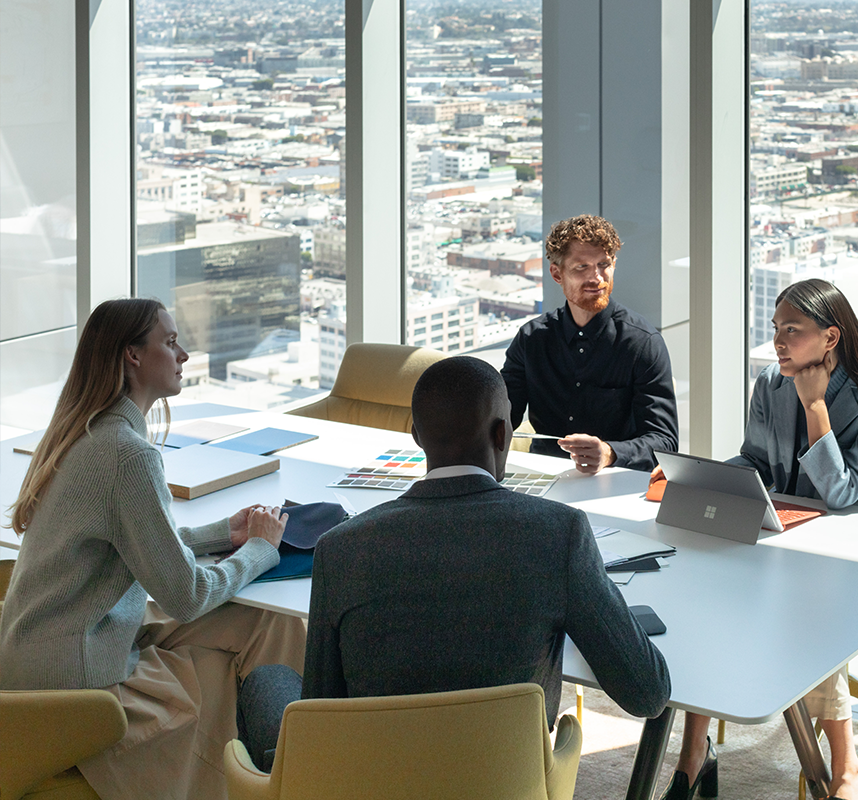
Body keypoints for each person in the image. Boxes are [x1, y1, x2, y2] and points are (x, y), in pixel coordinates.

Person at [251, 357, 671, 744]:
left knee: (266, 682)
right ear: (502, 433)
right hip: (509, 782)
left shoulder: (340, 549)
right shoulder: (559, 533)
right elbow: (647, 694)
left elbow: (322, 710)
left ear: (416, 436)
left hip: (377, 779)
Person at [0, 298, 303, 800]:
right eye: (170, 341)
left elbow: (130, 544)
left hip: (42, 647)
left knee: (270, 621)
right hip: (76, 679)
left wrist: (220, 534)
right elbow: (184, 595)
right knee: (253, 636)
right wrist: (259, 551)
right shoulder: (127, 454)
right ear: (133, 356)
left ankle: (272, 771)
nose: (183, 353)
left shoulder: (89, 431)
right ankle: (272, 775)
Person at [661, 277, 858, 800]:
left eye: (793, 331)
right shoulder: (771, 383)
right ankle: (694, 755)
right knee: (708, 594)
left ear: (830, 338)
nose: (779, 342)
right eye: (776, 329)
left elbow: (843, 493)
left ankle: (847, 769)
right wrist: (702, 476)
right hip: (793, 537)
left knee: (804, 615)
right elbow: (756, 462)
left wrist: (816, 406)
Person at [503, 214, 679, 475]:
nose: (596, 278)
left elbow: (665, 442)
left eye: (603, 264)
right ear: (556, 273)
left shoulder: (643, 344)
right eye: (581, 267)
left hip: (616, 482)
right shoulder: (531, 340)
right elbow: (498, 420)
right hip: (543, 478)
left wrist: (610, 452)